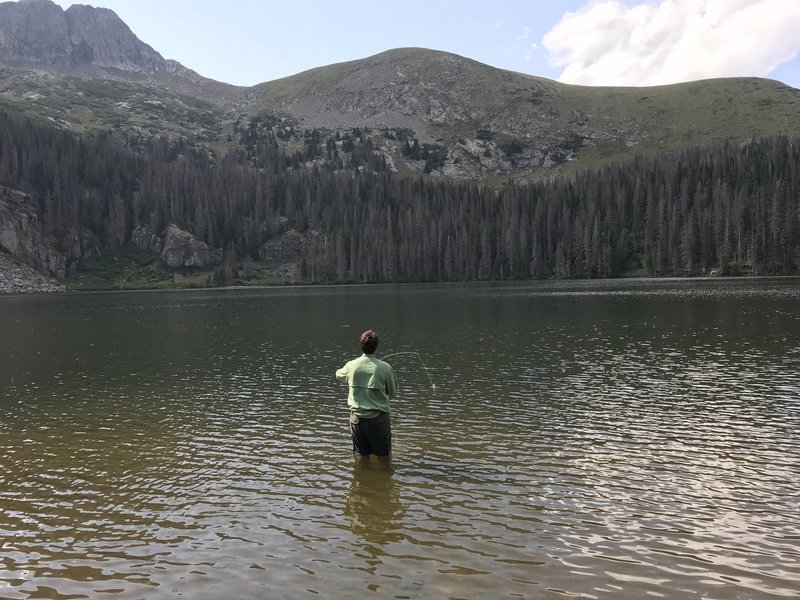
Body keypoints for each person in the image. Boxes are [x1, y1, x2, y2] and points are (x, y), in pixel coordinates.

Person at [336, 329, 398, 463]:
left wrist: (353, 377)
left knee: (361, 455)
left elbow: (338, 374)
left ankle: (361, 475)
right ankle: (383, 475)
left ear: (361, 346)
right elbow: (393, 393)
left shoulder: (351, 365)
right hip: (378, 419)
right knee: (383, 456)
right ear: (376, 348)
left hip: (357, 420)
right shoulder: (385, 368)